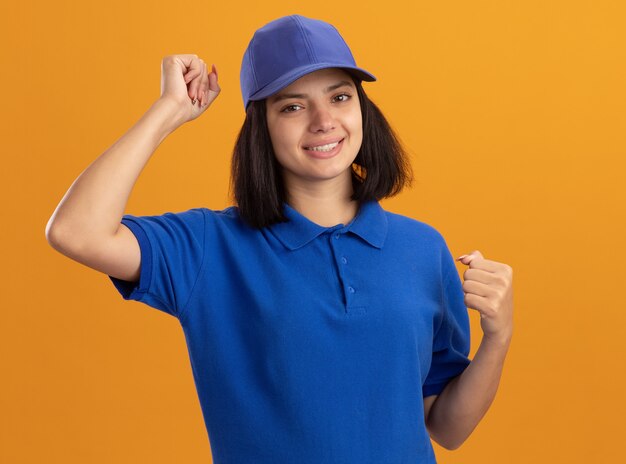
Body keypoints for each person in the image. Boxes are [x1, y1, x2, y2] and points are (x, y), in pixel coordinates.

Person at [46, 14, 514, 464]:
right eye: (292, 106)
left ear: (362, 107)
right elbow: (76, 231)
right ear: (261, 128)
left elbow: (447, 428)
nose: (323, 121)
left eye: (340, 97)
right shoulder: (210, 247)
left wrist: (498, 336)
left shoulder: (423, 249)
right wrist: (167, 113)